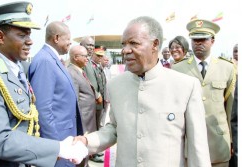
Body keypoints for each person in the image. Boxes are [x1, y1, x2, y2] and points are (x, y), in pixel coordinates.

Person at [0, 2, 87, 166]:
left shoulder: (16, 68)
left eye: (29, 35)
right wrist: (58, 148)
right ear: (0, 37)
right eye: (22, 35)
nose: (30, 41)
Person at [74, 16, 211, 166]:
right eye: (124, 44)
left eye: (133, 43)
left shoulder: (186, 86)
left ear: (155, 44)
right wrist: (87, 140)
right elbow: (114, 128)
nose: (125, 50)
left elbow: (198, 148)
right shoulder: (115, 85)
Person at [172, 19, 236, 167]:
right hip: (190, 145)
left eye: (203, 39)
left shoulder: (227, 68)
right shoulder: (178, 70)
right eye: (194, 39)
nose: (198, 43)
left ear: (212, 41)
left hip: (219, 145)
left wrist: (232, 140)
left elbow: (231, 110)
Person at [28, 21, 83, 167]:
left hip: (65, 137)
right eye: (68, 39)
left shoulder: (52, 59)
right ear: (56, 38)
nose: (70, 42)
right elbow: (43, 108)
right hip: (58, 141)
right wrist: (55, 148)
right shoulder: (45, 61)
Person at [67, 45, 97, 167]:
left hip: (88, 119)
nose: (87, 59)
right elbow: (74, 101)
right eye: (84, 56)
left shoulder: (80, 71)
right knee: (79, 153)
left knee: (84, 153)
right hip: (82, 122)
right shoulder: (71, 73)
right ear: (75, 57)